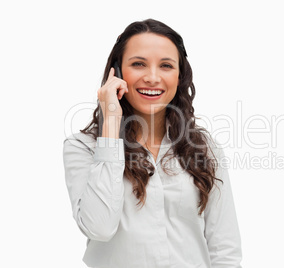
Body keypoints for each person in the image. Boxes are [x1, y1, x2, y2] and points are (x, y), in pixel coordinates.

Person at [63, 18, 242, 268]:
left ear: (180, 76)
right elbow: (99, 228)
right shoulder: (82, 147)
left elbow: (225, 249)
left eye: (166, 65)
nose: (152, 77)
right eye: (138, 64)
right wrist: (110, 128)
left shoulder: (204, 148)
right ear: (116, 72)